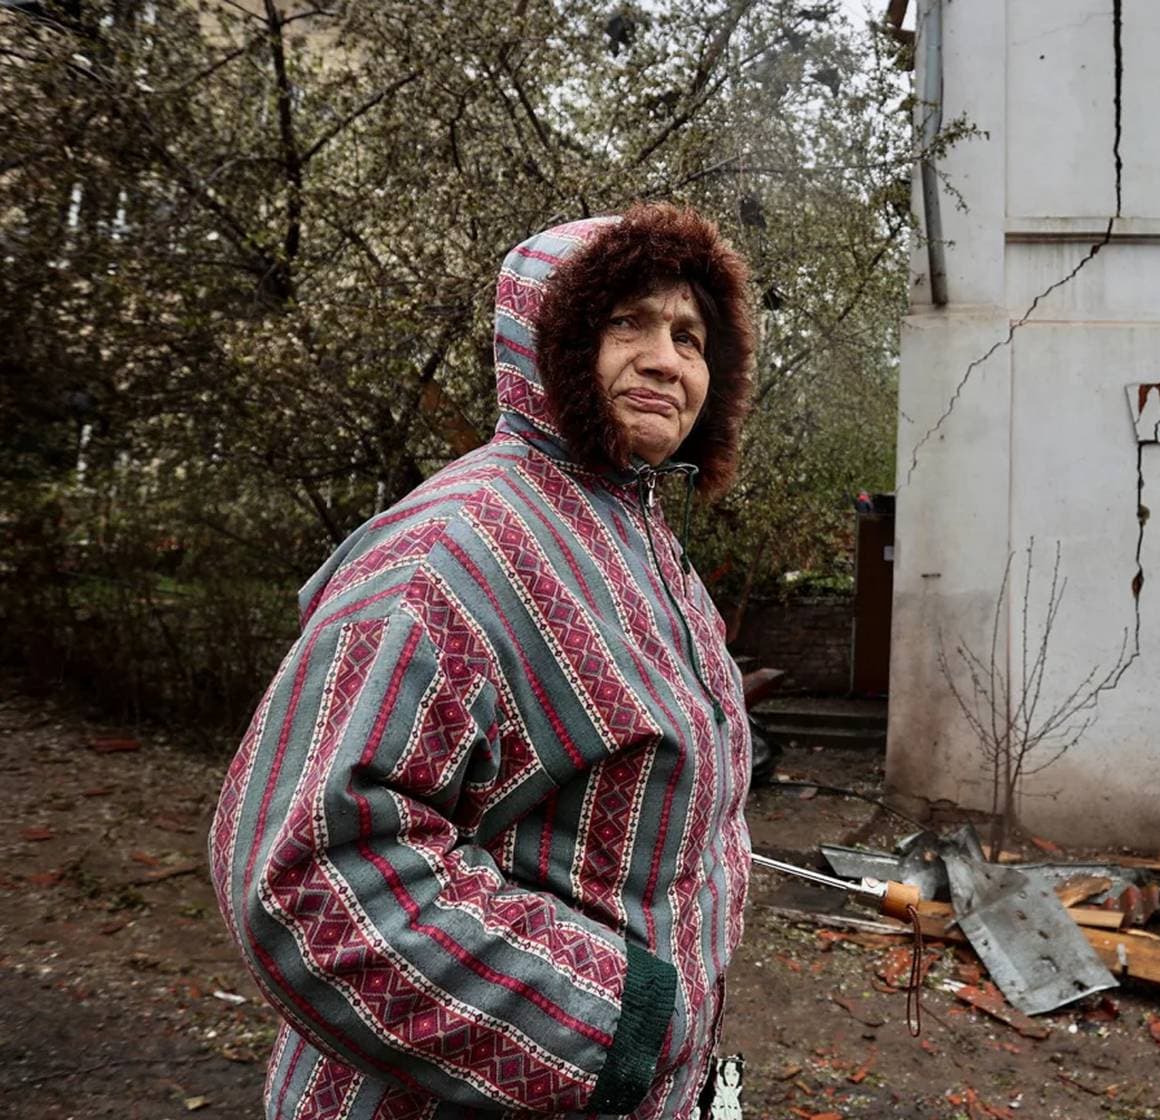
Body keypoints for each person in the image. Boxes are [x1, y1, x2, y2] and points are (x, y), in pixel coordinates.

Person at [208, 202, 757, 1119]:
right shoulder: (452, 552)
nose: (667, 358)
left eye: (691, 336)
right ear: (547, 336)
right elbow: (310, 874)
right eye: (627, 322)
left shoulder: (640, 540)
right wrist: (623, 1028)